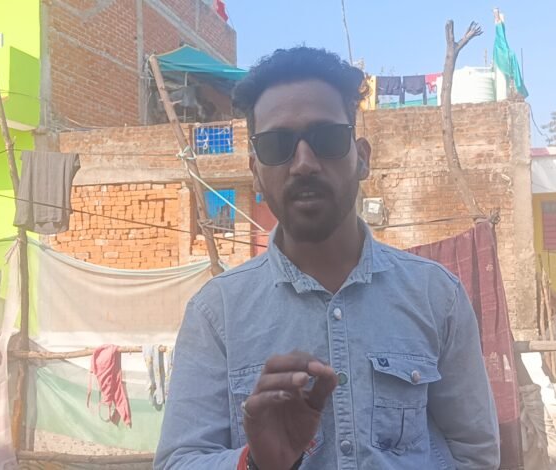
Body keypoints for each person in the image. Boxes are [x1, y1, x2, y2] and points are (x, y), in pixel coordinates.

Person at [154, 47, 499, 470]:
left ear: (363, 158)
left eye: (327, 138)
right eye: (278, 145)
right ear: (255, 171)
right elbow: (178, 461)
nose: (304, 163)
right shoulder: (217, 313)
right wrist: (255, 463)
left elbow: (474, 453)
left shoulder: (437, 297)